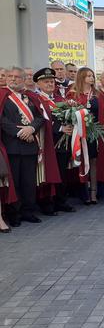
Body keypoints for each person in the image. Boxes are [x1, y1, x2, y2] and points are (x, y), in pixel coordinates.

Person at [67, 67, 104, 204]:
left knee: (93, 162)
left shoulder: (97, 94)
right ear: (81, 78)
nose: (91, 78)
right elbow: (67, 115)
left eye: (92, 76)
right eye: (88, 76)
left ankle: (93, 194)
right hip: (78, 134)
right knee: (81, 161)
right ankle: (83, 192)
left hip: (94, 133)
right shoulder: (73, 94)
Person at [0, 67, 45, 225]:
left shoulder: (30, 97)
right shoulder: (2, 96)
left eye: (17, 77)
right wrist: (21, 133)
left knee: (28, 182)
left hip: (29, 146)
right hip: (11, 146)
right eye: (10, 76)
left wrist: (31, 129)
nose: (13, 79)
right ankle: (14, 214)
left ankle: (28, 211)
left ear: (24, 79)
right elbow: (2, 120)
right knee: (15, 182)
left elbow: (40, 117)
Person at [31, 68, 66, 215]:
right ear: (38, 84)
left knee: (61, 172)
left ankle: (60, 201)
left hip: (62, 142)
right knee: (47, 173)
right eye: (46, 82)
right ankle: (47, 203)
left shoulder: (59, 99)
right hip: (45, 142)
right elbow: (41, 121)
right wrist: (61, 128)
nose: (50, 84)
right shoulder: (36, 99)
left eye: (52, 81)